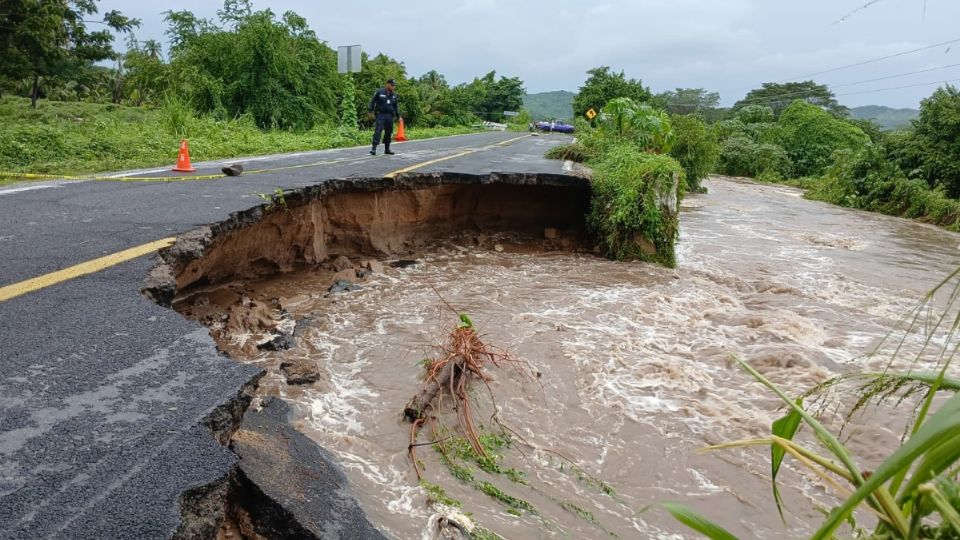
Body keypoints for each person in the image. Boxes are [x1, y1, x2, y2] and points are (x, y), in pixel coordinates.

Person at [369, 78, 401, 155]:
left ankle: (387, 149)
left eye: (394, 86)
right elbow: (373, 101)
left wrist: (398, 116)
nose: (393, 87)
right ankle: (374, 148)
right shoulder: (379, 92)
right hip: (381, 115)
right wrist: (370, 111)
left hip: (389, 116)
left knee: (389, 132)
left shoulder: (394, 95)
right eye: (392, 85)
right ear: (387, 84)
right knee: (378, 131)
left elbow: (396, 107)